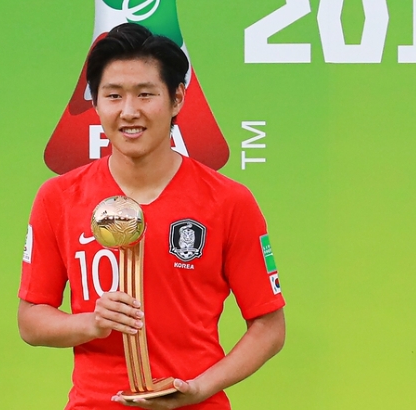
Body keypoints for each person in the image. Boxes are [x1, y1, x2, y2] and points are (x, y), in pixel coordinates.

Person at [18, 23, 285, 410]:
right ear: (96, 103)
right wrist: (91, 322)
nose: (129, 111)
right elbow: (30, 320)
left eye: (145, 94)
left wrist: (200, 388)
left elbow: (270, 327)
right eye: (113, 95)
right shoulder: (57, 198)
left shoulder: (229, 201)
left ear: (177, 99)